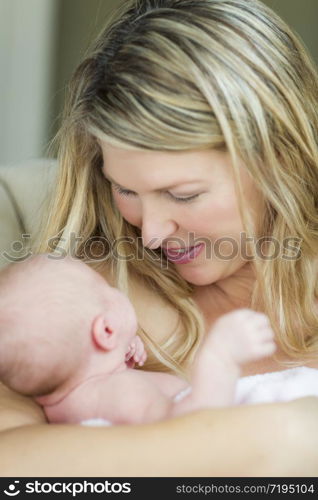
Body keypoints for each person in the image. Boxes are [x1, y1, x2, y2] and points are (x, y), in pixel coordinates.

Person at [1, 0, 318, 476]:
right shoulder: (81, 307)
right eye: (125, 189)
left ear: (278, 161)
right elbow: (13, 464)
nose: (149, 234)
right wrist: (280, 439)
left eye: (183, 195)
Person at [0, 253, 277, 425]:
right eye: (108, 289)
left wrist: (119, 350)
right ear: (106, 331)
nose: (117, 289)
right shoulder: (118, 392)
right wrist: (220, 358)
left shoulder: (69, 401)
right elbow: (189, 430)